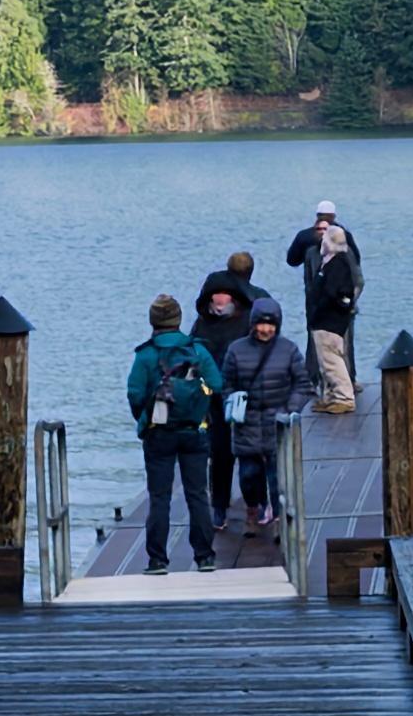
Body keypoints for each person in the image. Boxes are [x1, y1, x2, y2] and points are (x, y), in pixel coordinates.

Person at [125, 293, 222, 574]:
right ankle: (204, 557)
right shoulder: (197, 351)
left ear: (153, 321)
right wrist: (199, 403)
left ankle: (157, 560)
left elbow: (134, 393)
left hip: (159, 433)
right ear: (178, 320)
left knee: (159, 497)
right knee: (198, 495)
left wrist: (146, 418)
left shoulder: (146, 355)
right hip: (194, 430)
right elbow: (216, 383)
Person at [218, 299, 307, 531]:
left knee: (277, 477)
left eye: (270, 325)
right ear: (252, 324)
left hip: (277, 422)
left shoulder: (288, 349)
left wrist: (290, 409)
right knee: (248, 476)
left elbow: (302, 384)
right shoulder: (236, 349)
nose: (265, 330)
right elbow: (226, 383)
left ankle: (278, 521)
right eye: (261, 324)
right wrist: (233, 403)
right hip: (246, 422)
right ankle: (254, 507)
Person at [192, 246, 260, 513]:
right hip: (217, 395)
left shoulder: (245, 317)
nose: (219, 305)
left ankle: (250, 502)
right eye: (215, 300)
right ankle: (223, 505)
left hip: (237, 392)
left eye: (224, 299)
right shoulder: (203, 323)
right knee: (221, 453)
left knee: (244, 451)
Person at [286, 200, 364, 412]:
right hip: (322, 313)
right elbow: (292, 260)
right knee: (325, 353)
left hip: (332, 315)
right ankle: (326, 390)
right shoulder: (319, 249)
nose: (322, 232)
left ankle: (343, 394)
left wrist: (346, 304)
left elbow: (346, 285)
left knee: (335, 354)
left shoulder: (337, 258)